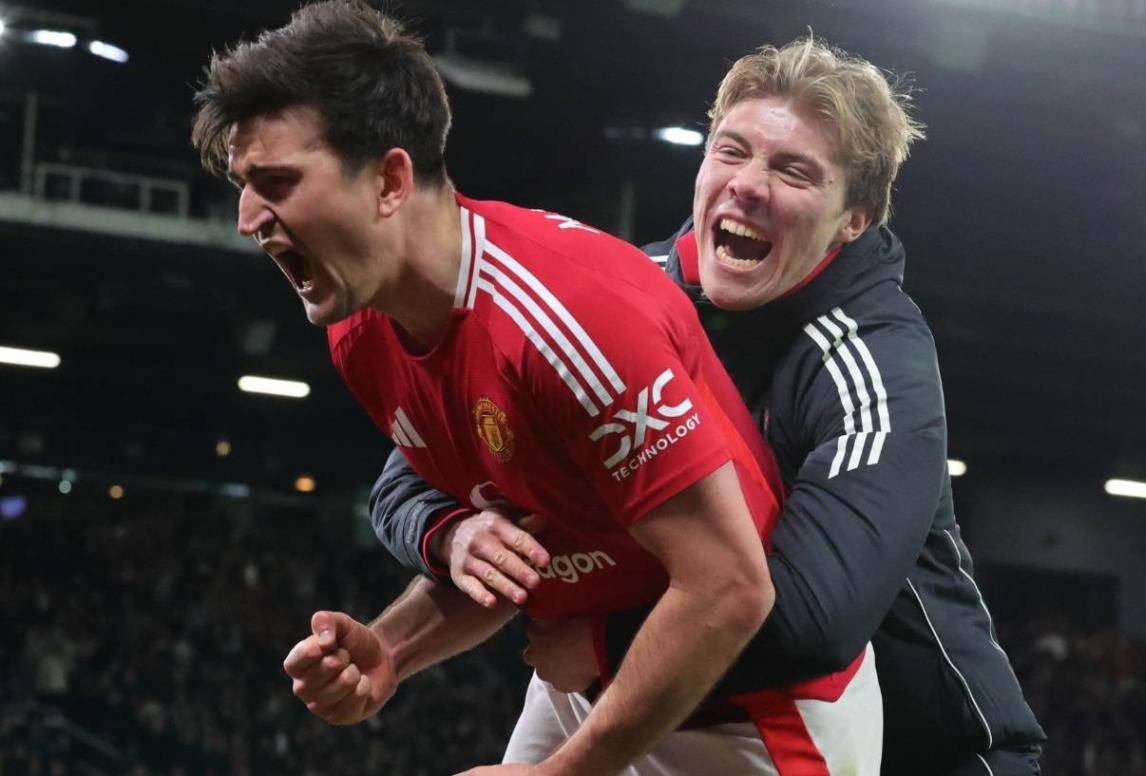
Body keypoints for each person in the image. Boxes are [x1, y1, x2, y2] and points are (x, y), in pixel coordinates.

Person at [191, 3, 881, 774]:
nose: (248, 217)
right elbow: (534, 540)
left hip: (753, 712)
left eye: (277, 182)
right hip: (595, 680)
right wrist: (392, 648)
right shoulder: (360, 331)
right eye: (245, 185)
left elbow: (728, 588)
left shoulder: (569, 322)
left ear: (390, 180)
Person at [371, 37, 1048, 775]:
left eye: (793, 170)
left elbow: (815, 617)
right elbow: (409, 476)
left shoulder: (878, 363)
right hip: (682, 708)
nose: (748, 185)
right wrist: (453, 534)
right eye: (732, 151)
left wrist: (603, 644)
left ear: (855, 219)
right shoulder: (617, 297)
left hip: (924, 752)